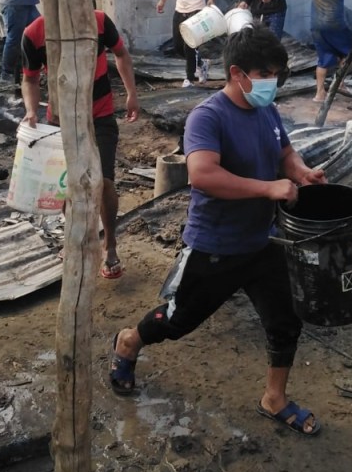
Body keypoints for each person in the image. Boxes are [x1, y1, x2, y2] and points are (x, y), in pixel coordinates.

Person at [109, 26, 327, 437]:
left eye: (277, 74)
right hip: (216, 245)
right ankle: (129, 341)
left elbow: (284, 151)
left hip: (263, 241)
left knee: (285, 319)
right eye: (265, 74)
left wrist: (300, 172)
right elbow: (203, 175)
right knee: (178, 321)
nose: (272, 83)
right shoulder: (208, 117)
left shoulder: (266, 110)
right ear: (237, 73)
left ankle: (274, 398)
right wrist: (268, 188)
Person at [19, 10, 140, 278]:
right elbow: (29, 78)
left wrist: (131, 93)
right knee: (67, 184)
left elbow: (121, 54)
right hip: (61, 120)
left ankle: (110, 244)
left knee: (104, 181)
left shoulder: (98, 21)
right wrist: (31, 110)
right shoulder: (34, 34)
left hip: (101, 115)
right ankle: (77, 239)